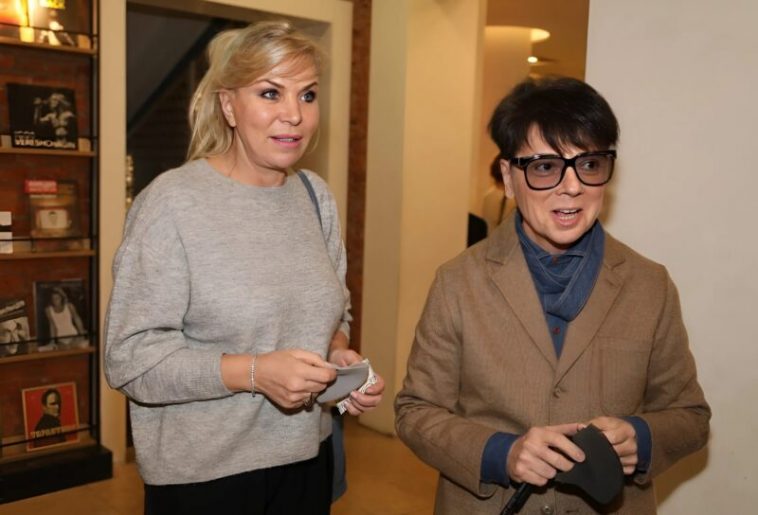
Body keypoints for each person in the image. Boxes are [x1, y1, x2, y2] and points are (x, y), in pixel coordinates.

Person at [104, 21, 384, 515]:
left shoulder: (314, 196)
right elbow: (130, 359)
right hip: (205, 477)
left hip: (308, 459)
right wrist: (254, 373)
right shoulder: (172, 203)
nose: (294, 114)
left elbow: (334, 313)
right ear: (229, 106)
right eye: (270, 93)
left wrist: (338, 359)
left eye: (308, 94)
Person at [395, 76, 710, 514]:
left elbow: (690, 416)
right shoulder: (459, 282)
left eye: (590, 164)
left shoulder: (649, 285)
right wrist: (502, 453)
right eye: (545, 167)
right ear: (509, 177)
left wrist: (639, 437)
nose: (572, 186)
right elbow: (416, 411)